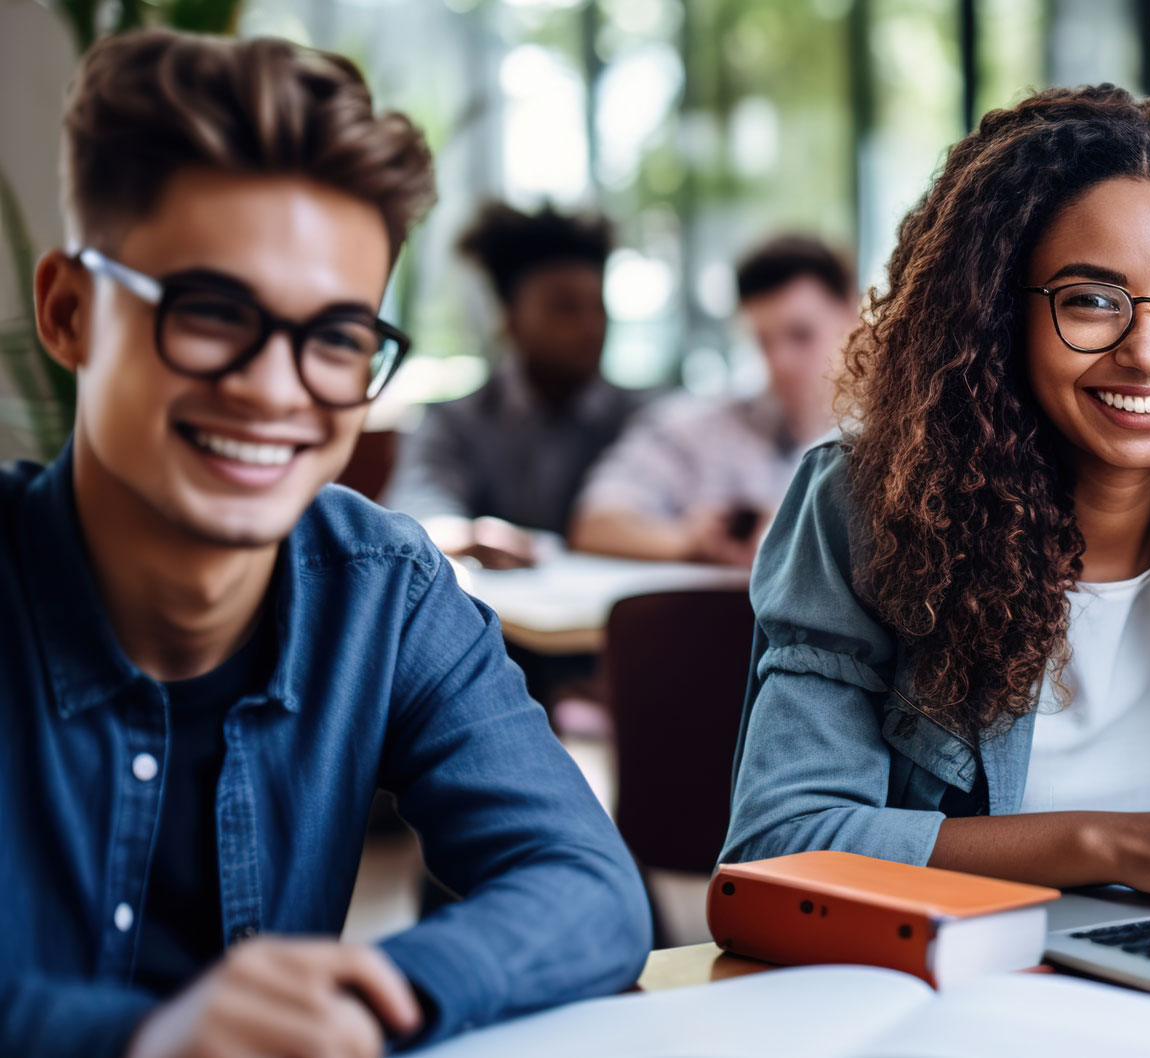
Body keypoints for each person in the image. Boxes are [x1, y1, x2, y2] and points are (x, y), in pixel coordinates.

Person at [2, 31, 649, 1058]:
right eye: (212, 312)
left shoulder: (381, 591)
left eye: (339, 335)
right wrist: (149, 1038)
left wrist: (367, 996)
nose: (274, 387)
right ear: (69, 311)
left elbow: (588, 888)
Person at [720, 86, 1150, 896]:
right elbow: (783, 844)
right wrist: (1112, 846)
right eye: (1090, 301)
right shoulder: (864, 509)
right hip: (974, 981)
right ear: (994, 315)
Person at [383, 201, 646, 568]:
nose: (590, 327)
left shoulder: (644, 417)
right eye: (565, 307)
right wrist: (466, 536)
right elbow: (420, 505)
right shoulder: (452, 422)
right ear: (510, 320)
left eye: (598, 307)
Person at [569, 234, 857, 566]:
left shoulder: (897, 441)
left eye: (801, 335)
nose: (780, 362)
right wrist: (689, 542)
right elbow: (594, 523)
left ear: (851, 316)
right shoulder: (692, 429)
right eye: (764, 342)